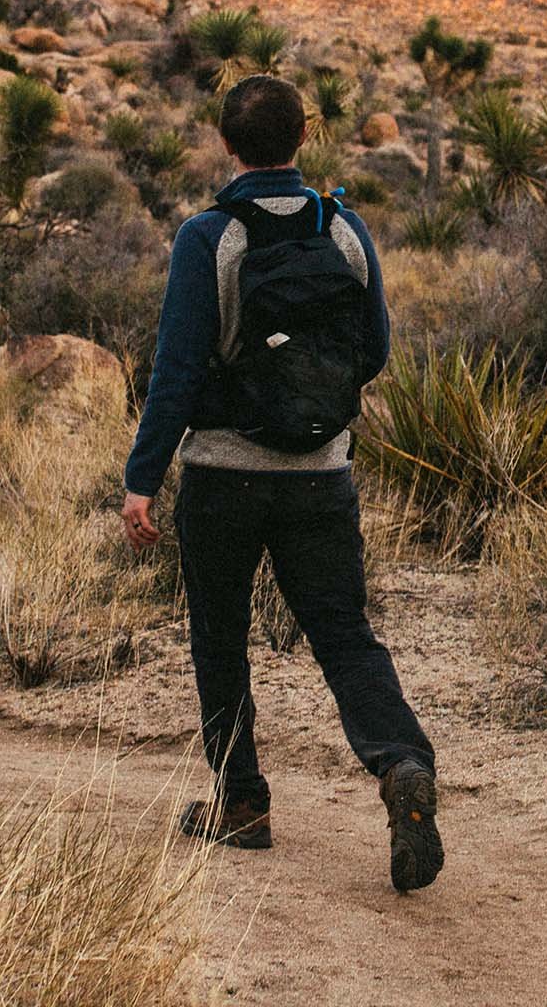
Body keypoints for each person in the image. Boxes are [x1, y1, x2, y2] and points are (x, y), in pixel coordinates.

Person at [119, 73, 444, 894]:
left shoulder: (208, 239)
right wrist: (312, 406)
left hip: (224, 477)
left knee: (220, 639)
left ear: (226, 144)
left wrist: (142, 479)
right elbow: (373, 351)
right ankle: (400, 760)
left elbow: (178, 371)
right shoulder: (344, 231)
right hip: (320, 476)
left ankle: (243, 805)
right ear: (305, 139)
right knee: (342, 634)